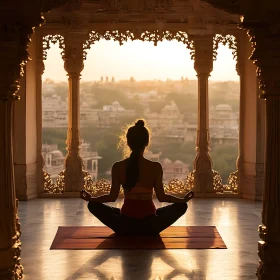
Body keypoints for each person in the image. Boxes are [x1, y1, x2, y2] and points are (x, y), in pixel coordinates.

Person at [80, 119, 194, 235]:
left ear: (128, 142)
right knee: (181, 206)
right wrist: (182, 200)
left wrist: (91, 199)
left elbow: (112, 197)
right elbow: (162, 197)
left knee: (94, 206)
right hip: (150, 225)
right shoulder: (155, 167)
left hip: (125, 224)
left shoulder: (118, 167)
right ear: (147, 143)